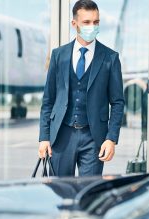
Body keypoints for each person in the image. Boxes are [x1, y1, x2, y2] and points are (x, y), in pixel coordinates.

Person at [38, 0, 124, 176]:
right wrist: (44, 137)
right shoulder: (58, 55)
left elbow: (117, 102)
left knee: (89, 193)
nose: (92, 26)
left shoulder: (110, 58)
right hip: (61, 136)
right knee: (60, 192)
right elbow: (48, 100)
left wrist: (111, 139)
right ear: (74, 23)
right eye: (86, 22)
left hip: (94, 139)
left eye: (96, 22)